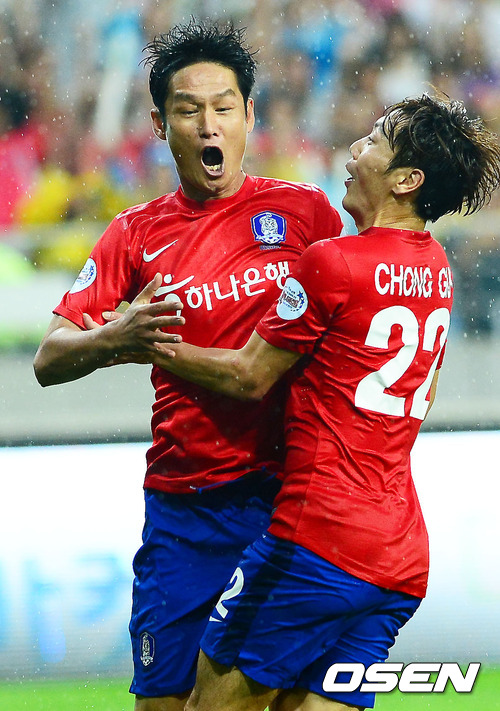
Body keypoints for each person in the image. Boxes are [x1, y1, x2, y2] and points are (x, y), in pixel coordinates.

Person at [142, 93, 500, 711]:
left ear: (407, 180)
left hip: (316, 542)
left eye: (375, 140)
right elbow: (422, 391)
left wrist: (143, 342)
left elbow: (248, 376)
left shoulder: (332, 261)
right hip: (398, 559)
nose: (355, 151)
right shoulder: (437, 267)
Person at [32, 19, 343, 711]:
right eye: (189, 109)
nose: (209, 125)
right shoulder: (134, 233)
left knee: (283, 701)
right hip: (184, 512)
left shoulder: (306, 215)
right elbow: (49, 358)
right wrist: (117, 337)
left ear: (250, 116)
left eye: (223, 107)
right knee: (165, 705)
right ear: (160, 124)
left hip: (287, 500)